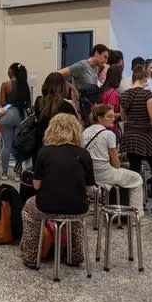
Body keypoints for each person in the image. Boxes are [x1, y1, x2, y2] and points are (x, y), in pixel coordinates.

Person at [19, 114, 94, 268]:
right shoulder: (84, 154)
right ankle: (75, 254)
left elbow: (37, 186)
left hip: (46, 206)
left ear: (51, 130)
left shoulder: (44, 152)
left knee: (28, 209)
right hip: (78, 208)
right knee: (75, 218)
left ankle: (32, 255)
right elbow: (89, 189)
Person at [120, 65, 152, 217]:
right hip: (146, 136)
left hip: (130, 136)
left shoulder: (123, 95)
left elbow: (123, 118)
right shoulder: (147, 94)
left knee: (135, 171)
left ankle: (135, 206)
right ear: (143, 79)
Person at [83, 105, 145, 223]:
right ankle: (136, 217)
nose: (113, 119)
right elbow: (116, 163)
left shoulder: (86, 131)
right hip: (104, 174)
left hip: (89, 175)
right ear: (100, 118)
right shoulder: (109, 134)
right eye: (109, 116)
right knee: (137, 178)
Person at [28, 72, 78, 167]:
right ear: (63, 87)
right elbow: (76, 129)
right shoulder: (66, 106)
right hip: (59, 149)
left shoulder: (39, 102)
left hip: (40, 147)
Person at [0, 62, 31, 180]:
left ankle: (5, 173)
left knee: (6, 145)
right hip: (22, 116)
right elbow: (28, 104)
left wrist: (8, 108)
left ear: (12, 71)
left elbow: (2, 103)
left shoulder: (5, 84)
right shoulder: (25, 86)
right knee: (19, 145)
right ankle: (18, 174)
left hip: (8, 115)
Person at [100, 64, 122, 131]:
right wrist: (123, 114)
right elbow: (110, 114)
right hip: (110, 129)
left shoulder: (102, 89)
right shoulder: (113, 93)